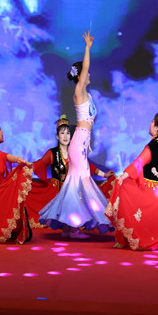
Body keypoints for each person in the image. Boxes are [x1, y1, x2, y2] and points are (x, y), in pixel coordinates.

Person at [38, 31, 113, 238]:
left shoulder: (87, 94)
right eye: (86, 73)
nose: (89, 75)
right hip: (79, 141)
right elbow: (85, 67)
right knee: (80, 181)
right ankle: (73, 226)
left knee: (76, 182)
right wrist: (87, 48)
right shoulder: (79, 91)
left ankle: (69, 226)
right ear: (80, 76)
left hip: (81, 142)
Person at [106, 112, 158, 251]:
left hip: (150, 191)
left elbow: (139, 163)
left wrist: (123, 176)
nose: (150, 123)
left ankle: (157, 239)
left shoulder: (151, 146)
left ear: (157, 128)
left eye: (152, 122)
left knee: (124, 186)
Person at [26, 115, 114, 232]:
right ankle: (69, 229)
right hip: (56, 190)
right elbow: (39, 164)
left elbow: (88, 166)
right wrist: (26, 169)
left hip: (73, 189)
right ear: (57, 136)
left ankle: (71, 229)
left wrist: (104, 175)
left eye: (68, 133)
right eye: (62, 133)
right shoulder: (52, 153)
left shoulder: (74, 151)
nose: (65, 136)